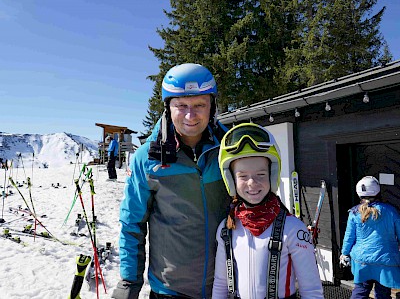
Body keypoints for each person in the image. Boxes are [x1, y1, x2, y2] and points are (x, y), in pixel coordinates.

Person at [112, 63, 230, 299]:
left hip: (226, 286)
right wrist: (129, 282)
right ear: (168, 108)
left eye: (199, 105)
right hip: (171, 290)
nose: (190, 115)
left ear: (212, 106)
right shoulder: (147, 158)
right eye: (181, 106)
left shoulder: (231, 150)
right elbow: (132, 223)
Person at [212, 123, 324, 299]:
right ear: (231, 180)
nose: (252, 183)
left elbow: (311, 290)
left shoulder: (293, 229)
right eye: (242, 176)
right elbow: (220, 283)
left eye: (261, 175)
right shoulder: (227, 229)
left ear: (272, 175)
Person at [340, 176, 400, 299]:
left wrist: (344, 254)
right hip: (385, 260)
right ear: (378, 191)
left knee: (360, 291)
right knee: (383, 294)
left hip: (362, 260)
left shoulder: (354, 213)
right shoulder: (391, 211)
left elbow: (349, 237)